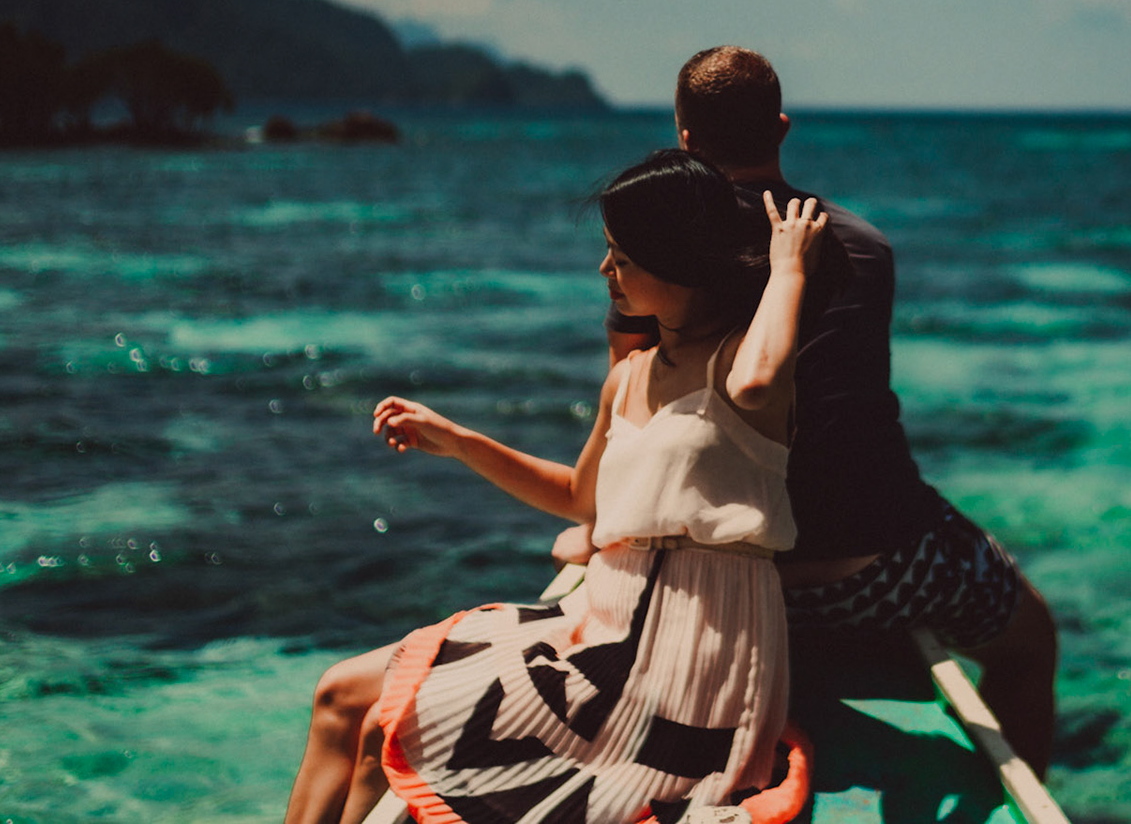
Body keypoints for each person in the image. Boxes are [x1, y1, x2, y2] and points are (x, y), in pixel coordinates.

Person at [292, 150, 827, 824]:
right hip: (602, 624)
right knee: (341, 694)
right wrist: (459, 440)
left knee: (387, 731)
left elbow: (757, 381)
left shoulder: (737, 363)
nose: (607, 271)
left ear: (678, 258)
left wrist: (788, 268)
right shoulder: (629, 375)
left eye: (622, 256)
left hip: (694, 652)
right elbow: (581, 496)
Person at [606, 47, 1057, 775]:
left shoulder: (662, 259)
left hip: (725, 583)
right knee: (1032, 639)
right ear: (781, 127)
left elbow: (636, 422)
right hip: (874, 569)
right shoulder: (861, 245)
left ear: (685, 138)